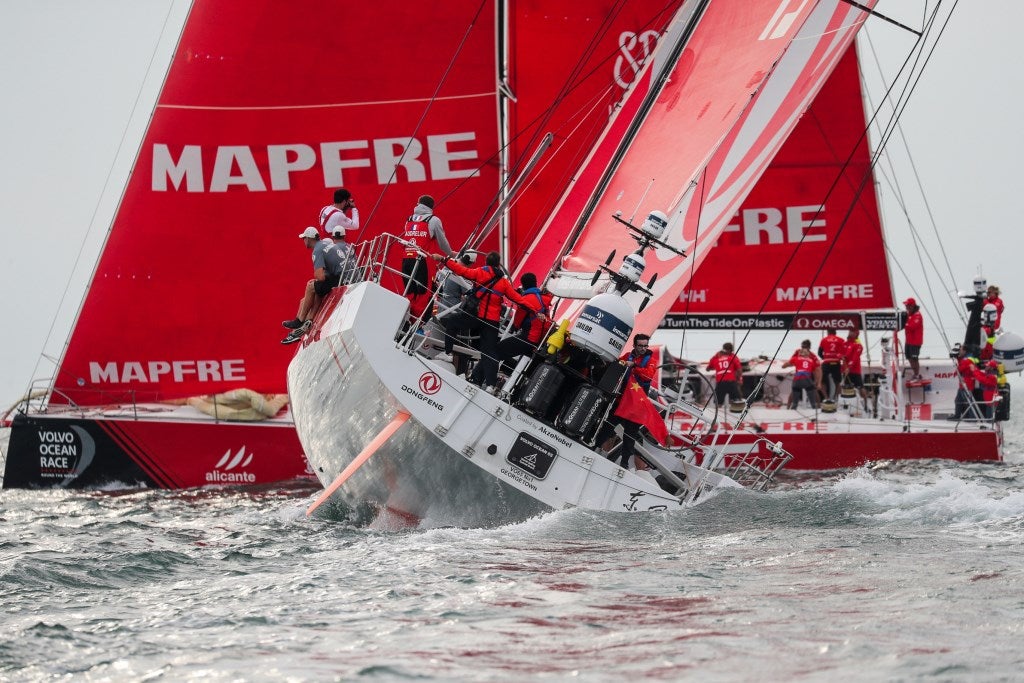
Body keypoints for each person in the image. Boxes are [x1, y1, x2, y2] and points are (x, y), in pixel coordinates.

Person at [431, 251, 541, 390]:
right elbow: (518, 300)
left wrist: (443, 259)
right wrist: (536, 311)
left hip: (476, 317)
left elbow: (461, 270)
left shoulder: (480, 273)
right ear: (498, 265)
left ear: (486, 262)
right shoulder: (504, 283)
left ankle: (447, 353)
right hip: (492, 322)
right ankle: (490, 385)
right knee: (490, 352)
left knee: (453, 320)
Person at [282, 227, 332, 344]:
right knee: (304, 300)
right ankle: (303, 326)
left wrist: (317, 277)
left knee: (311, 286)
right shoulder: (325, 245)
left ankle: (300, 322)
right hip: (336, 278)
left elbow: (320, 276)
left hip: (336, 280)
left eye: (304, 238)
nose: (303, 241)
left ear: (309, 238)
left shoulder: (318, 249)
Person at [497, 272, 553, 372]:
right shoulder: (544, 298)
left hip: (529, 337)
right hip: (541, 339)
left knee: (498, 350)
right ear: (536, 283)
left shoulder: (526, 299)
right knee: (523, 363)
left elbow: (517, 323)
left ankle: (480, 379)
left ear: (523, 285)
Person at [401, 194, 454, 297]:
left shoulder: (409, 219)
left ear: (418, 205)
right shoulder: (433, 220)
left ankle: (410, 311)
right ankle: (424, 313)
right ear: (431, 207)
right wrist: (451, 253)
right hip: (421, 261)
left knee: (410, 292)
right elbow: (442, 243)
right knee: (424, 292)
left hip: (405, 260)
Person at [782, 339, 822, 409]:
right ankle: (788, 407)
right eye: (802, 347)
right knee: (797, 392)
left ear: (809, 347)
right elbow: (816, 369)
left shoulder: (812, 356)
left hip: (802, 376)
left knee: (813, 390)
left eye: (805, 347)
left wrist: (818, 382)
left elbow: (818, 370)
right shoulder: (799, 353)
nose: (803, 348)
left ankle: (818, 406)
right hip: (807, 376)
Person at [842, 330, 868, 408]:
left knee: (860, 387)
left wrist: (849, 367)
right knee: (845, 388)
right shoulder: (844, 344)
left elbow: (855, 357)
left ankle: (865, 405)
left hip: (855, 370)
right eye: (849, 332)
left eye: (852, 332)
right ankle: (846, 405)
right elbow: (840, 354)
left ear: (856, 335)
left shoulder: (858, 345)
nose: (849, 333)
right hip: (845, 370)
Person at [817, 328, 846, 400]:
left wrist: (825, 357)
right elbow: (844, 352)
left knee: (822, 381)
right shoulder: (841, 340)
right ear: (835, 332)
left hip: (827, 362)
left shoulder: (824, 339)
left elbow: (819, 352)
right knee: (838, 382)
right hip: (836, 362)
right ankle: (835, 398)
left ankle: (826, 397)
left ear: (828, 332)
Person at [902, 297, 924, 379]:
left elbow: (911, 326)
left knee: (914, 358)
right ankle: (915, 374)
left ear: (912, 306)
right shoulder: (909, 315)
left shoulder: (917, 315)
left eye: (907, 306)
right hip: (908, 341)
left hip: (915, 342)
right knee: (909, 358)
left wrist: (904, 324)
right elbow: (907, 325)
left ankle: (917, 375)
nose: (906, 307)